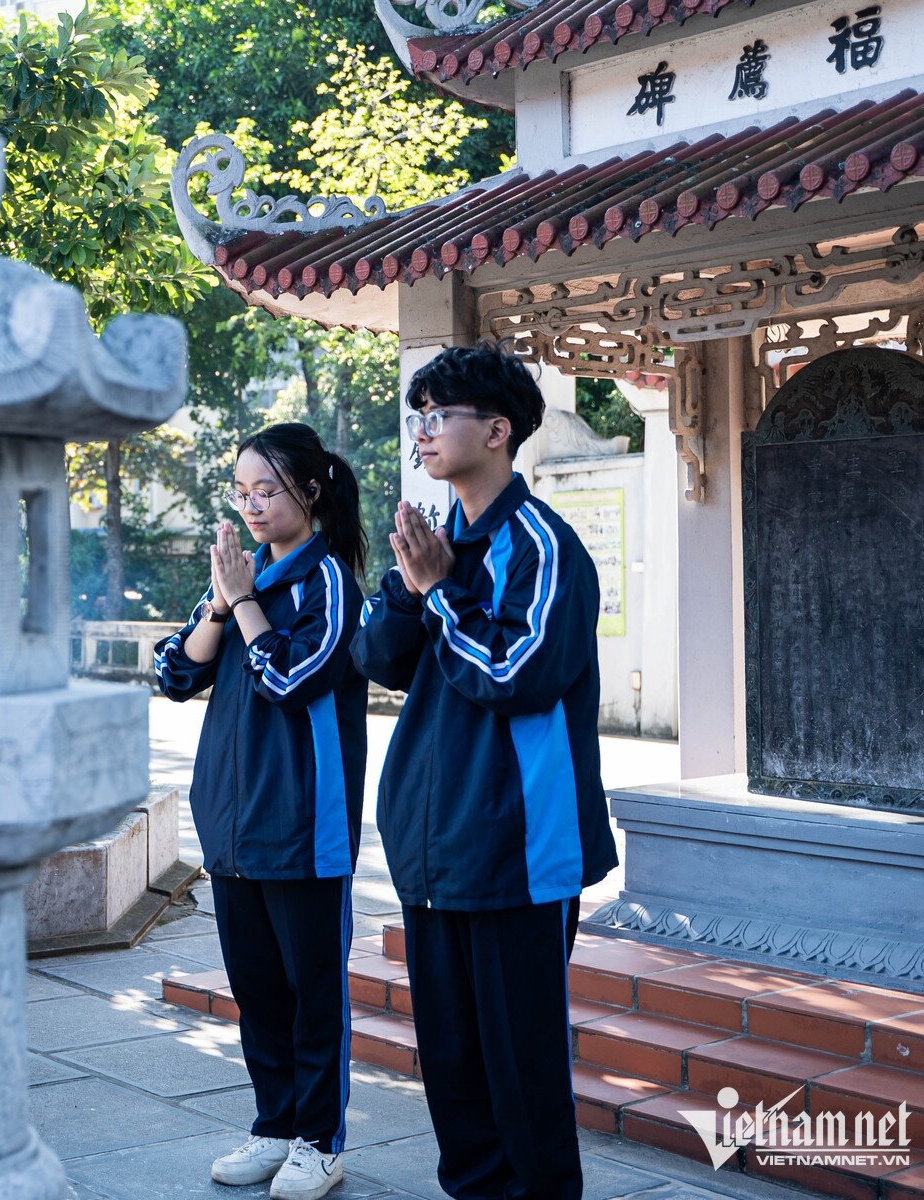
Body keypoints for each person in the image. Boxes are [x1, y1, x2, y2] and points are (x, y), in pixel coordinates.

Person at [350, 343, 618, 1200]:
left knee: (520, 1069)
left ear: (498, 431)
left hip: (516, 848)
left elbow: (516, 675)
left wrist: (439, 595)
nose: (423, 432)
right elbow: (375, 659)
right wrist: (409, 582)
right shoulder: (435, 541)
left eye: (441, 415)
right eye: (417, 416)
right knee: (455, 1069)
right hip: (435, 848)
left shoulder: (543, 547)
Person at [153, 423, 368, 1200]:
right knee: (258, 991)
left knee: (314, 994)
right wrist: (222, 600)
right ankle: (274, 1126)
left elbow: (290, 678)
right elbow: (174, 674)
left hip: (306, 826)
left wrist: (244, 600)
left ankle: (320, 1140)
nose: (251, 504)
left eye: (267, 490)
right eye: (242, 491)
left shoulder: (329, 583)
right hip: (234, 828)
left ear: (310, 492)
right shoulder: (242, 578)